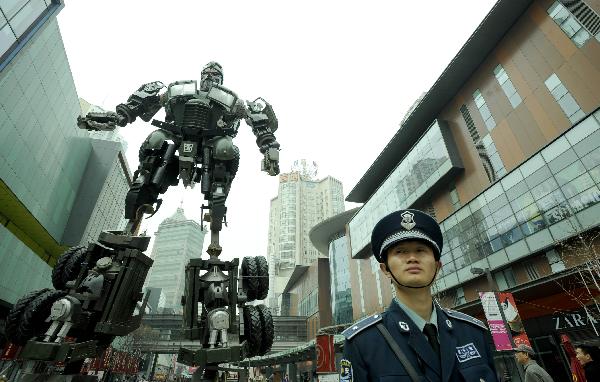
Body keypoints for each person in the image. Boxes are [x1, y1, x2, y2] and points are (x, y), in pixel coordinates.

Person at [340, 209, 498, 381]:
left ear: (437, 267)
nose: (412, 258)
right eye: (400, 252)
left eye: (421, 250)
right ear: (385, 269)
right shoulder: (362, 342)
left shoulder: (473, 332)